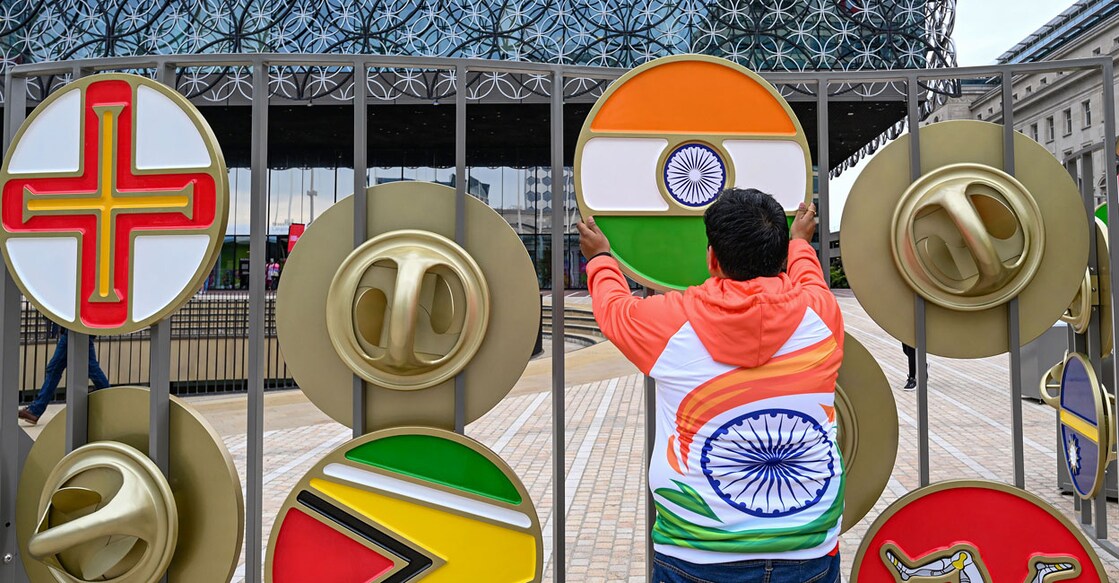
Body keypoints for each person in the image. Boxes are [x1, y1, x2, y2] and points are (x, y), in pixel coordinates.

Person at [577, 189, 844, 583]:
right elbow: (810, 278)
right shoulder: (821, 316)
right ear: (781, 256)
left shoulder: (669, 324)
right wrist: (801, 244)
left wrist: (601, 259)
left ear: (713, 258)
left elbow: (613, 309)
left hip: (694, 552)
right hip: (808, 550)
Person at [19, 327, 111, 425]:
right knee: (88, 368)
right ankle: (35, 410)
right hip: (77, 329)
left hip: (75, 329)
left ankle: (35, 410)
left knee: (57, 369)